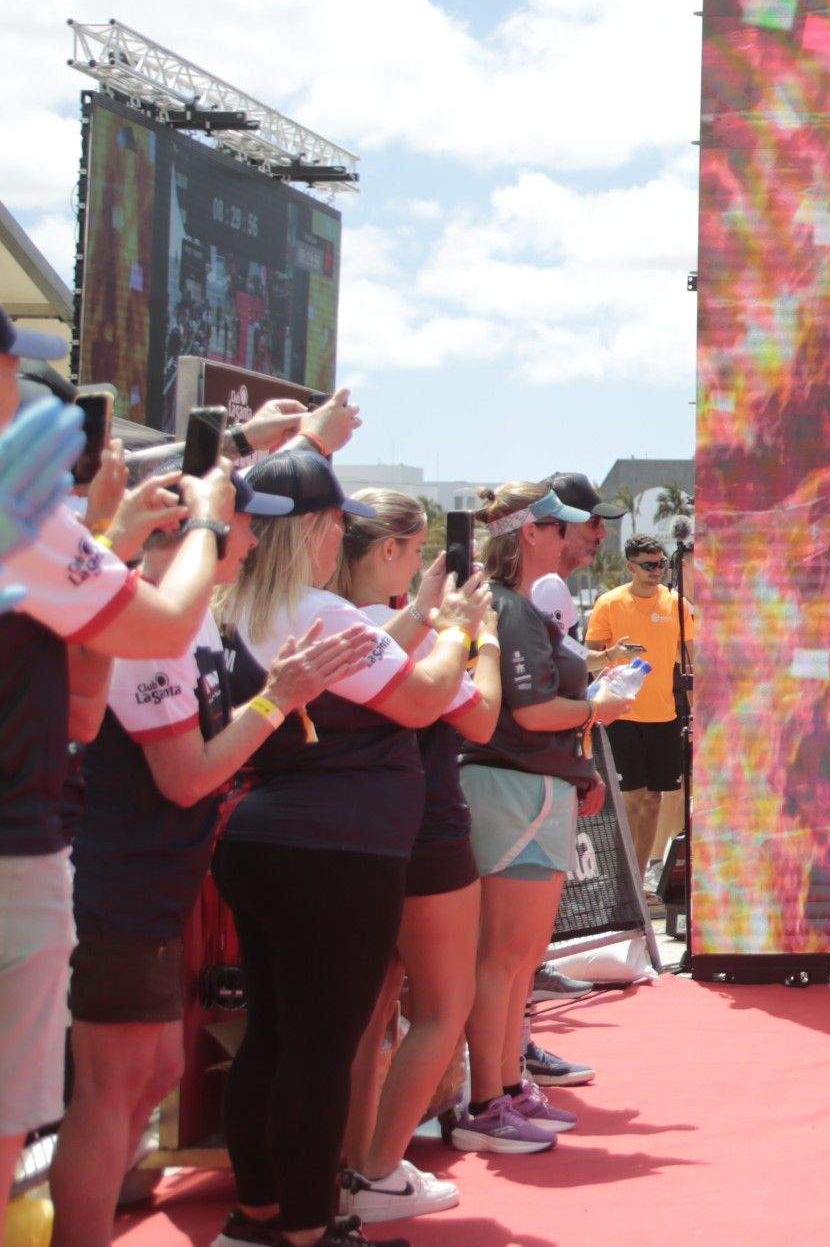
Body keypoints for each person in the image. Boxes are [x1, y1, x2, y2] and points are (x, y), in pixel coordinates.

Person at [50, 480, 379, 1247]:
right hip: (119, 887)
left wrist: (272, 697)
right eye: (241, 525)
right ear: (188, 531)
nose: (256, 541)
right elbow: (186, 774)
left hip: (151, 888)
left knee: (152, 1075)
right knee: (111, 1092)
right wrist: (279, 697)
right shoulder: (142, 622)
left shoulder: (187, 620)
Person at [209, 448, 484, 1247]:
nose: (343, 536)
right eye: (337, 523)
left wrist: (422, 620)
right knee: (320, 1048)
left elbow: (370, 667)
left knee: (272, 1035)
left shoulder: (243, 606)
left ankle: (258, 1215)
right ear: (319, 530)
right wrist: (462, 633)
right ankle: (307, 1229)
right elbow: (424, 696)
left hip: (262, 834)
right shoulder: (318, 609)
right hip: (336, 850)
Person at [2, 321, 236, 1205]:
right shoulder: (22, 522)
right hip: (40, 861)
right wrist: (208, 522)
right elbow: (164, 627)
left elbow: (77, 707)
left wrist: (114, 540)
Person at [330, 490, 509, 1222]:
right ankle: (374, 1167)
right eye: (416, 547)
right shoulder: (390, 632)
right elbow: (482, 715)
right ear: (388, 551)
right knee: (443, 1004)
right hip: (425, 825)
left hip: (353, 831)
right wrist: (481, 639)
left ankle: (350, 1165)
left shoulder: (324, 617)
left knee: (368, 1013)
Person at [453, 480, 624, 1157]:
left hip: (530, 787)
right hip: (511, 788)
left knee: (519, 958)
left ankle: (504, 1085)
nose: (570, 541)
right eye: (560, 529)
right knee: (503, 957)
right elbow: (527, 713)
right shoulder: (510, 610)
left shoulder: (519, 606)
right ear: (529, 534)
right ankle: (487, 1100)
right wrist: (595, 709)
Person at [585, 533, 696, 891]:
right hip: (621, 715)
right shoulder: (609, 603)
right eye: (648, 565)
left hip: (664, 716)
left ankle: (638, 879)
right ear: (630, 566)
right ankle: (624, 880)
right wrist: (610, 659)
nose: (656, 571)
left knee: (652, 800)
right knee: (631, 798)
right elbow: (585, 659)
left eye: (661, 564)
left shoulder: (676, 604)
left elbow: (691, 659)